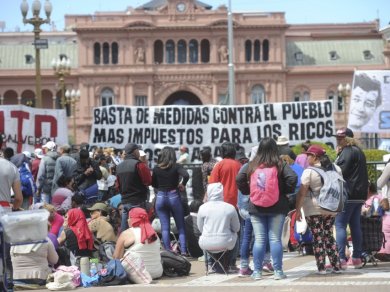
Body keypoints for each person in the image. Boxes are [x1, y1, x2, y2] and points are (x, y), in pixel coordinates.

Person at [236, 137, 297, 280]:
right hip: (277, 206)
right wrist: (282, 191)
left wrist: (247, 191)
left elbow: (239, 178)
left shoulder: (252, 165)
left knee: (259, 240)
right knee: (275, 239)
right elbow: (293, 178)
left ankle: (257, 272)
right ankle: (278, 271)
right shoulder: (280, 163)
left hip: (256, 207)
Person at [295, 145, 342, 274]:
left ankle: (321, 268)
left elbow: (302, 192)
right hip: (331, 208)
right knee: (329, 236)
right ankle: (336, 266)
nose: (306, 158)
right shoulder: (336, 168)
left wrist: (298, 209)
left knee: (318, 237)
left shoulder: (309, 171)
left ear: (315, 157)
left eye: (308, 155)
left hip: (314, 209)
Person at [334, 127, 368, 269]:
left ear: (347, 139)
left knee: (340, 225)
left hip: (348, 194)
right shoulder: (359, 151)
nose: (338, 140)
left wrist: (337, 157)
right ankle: (356, 258)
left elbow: (338, 171)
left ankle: (341, 259)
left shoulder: (347, 152)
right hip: (359, 195)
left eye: (340, 138)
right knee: (355, 226)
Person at [152, 146, 189, 255]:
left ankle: (168, 251)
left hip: (160, 196)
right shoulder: (176, 166)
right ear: (172, 155)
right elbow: (186, 175)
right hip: (173, 196)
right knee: (180, 225)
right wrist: (183, 184)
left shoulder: (156, 168)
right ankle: (183, 251)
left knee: (165, 227)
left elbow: (153, 183)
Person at [197, 182, 240, 273]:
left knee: (204, 234)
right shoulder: (230, 207)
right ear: (221, 192)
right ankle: (231, 264)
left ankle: (209, 264)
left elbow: (200, 228)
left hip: (206, 243)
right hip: (225, 243)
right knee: (236, 235)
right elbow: (236, 228)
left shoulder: (202, 208)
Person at [113, 208, 163, 279]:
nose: (128, 220)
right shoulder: (154, 234)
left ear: (134, 219)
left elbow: (116, 257)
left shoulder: (127, 233)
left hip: (137, 275)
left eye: (129, 218)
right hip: (157, 273)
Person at [116, 143, 152, 233]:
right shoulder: (139, 165)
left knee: (124, 229)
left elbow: (118, 185)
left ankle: (124, 244)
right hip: (138, 201)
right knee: (139, 228)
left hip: (125, 201)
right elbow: (148, 181)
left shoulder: (119, 166)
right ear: (135, 151)